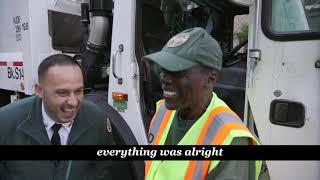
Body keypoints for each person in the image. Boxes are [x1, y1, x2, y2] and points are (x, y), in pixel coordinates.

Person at [144, 27, 262, 180]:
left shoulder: (230, 139)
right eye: (163, 69)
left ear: (210, 78)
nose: (164, 78)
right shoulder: (162, 112)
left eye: (177, 71)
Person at [0, 54, 114, 180]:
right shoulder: (5, 122)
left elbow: (105, 168)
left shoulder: (97, 119)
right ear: (39, 90)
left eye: (78, 91)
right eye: (62, 93)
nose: (73, 102)